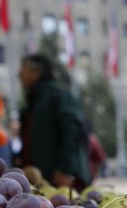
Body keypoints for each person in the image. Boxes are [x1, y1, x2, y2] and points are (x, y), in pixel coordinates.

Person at [18, 54, 89, 188]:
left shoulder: (59, 97)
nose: (19, 74)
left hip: (60, 181)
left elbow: (72, 132)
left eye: (23, 69)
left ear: (36, 72)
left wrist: (64, 169)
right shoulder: (34, 102)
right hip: (40, 181)